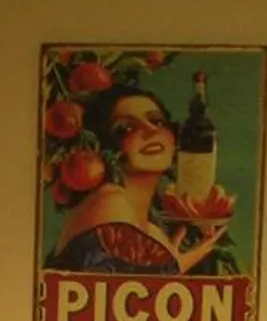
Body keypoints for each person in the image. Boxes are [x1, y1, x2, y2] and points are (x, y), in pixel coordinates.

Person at [46, 85, 230, 275]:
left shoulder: (151, 231)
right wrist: (174, 267)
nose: (151, 130)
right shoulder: (109, 201)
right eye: (126, 128)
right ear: (106, 147)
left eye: (157, 121)